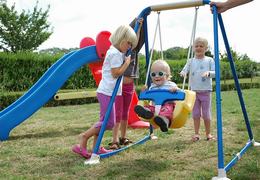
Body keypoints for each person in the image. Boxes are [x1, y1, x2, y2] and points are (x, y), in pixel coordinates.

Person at [72, 24, 138, 158]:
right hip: (106, 92)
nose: (129, 47)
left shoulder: (117, 52)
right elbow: (116, 73)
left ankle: (97, 146)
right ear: (121, 39)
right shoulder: (114, 53)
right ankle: (83, 139)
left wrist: (139, 24)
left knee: (104, 121)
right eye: (129, 43)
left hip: (109, 92)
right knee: (109, 122)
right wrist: (126, 63)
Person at [109, 18, 144, 150]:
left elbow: (135, 38)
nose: (129, 45)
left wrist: (139, 27)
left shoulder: (132, 49)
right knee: (117, 113)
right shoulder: (119, 51)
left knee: (125, 113)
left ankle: (123, 137)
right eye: (127, 42)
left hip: (129, 87)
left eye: (131, 42)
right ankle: (114, 140)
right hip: (118, 87)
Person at [180, 37, 215, 142]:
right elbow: (185, 69)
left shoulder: (209, 60)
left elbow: (215, 72)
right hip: (193, 92)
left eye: (201, 46)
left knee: (206, 114)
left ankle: (208, 133)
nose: (198, 48)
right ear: (193, 48)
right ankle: (196, 133)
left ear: (206, 48)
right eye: (196, 46)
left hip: (206, 91)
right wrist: (183, 73)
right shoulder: (191, 61)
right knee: (195, 114)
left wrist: (209, 73)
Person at [134, 60, 179, 132]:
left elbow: (179, 92)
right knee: (149, 107)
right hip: (155, 107)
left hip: (167, 106)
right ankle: (147, 113)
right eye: (153, 74)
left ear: (167, 76)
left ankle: (164, 122)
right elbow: (145, 97)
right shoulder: (152, 87)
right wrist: (143, 92)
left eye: (160, 74)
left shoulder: (171, 85)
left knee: (167, 110)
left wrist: (175, 89)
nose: (156, 76)